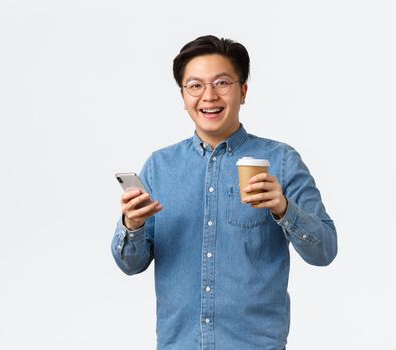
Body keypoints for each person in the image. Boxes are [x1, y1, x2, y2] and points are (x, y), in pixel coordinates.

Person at [111, 35, 337, 350]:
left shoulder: (281, 161)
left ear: (243, 91)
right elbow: (130, 265)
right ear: (183, 95)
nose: (209, 96)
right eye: (195, 85)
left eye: (221, 83)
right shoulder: (159, 166)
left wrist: (285, 209)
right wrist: (131, 226)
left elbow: (325, 251)